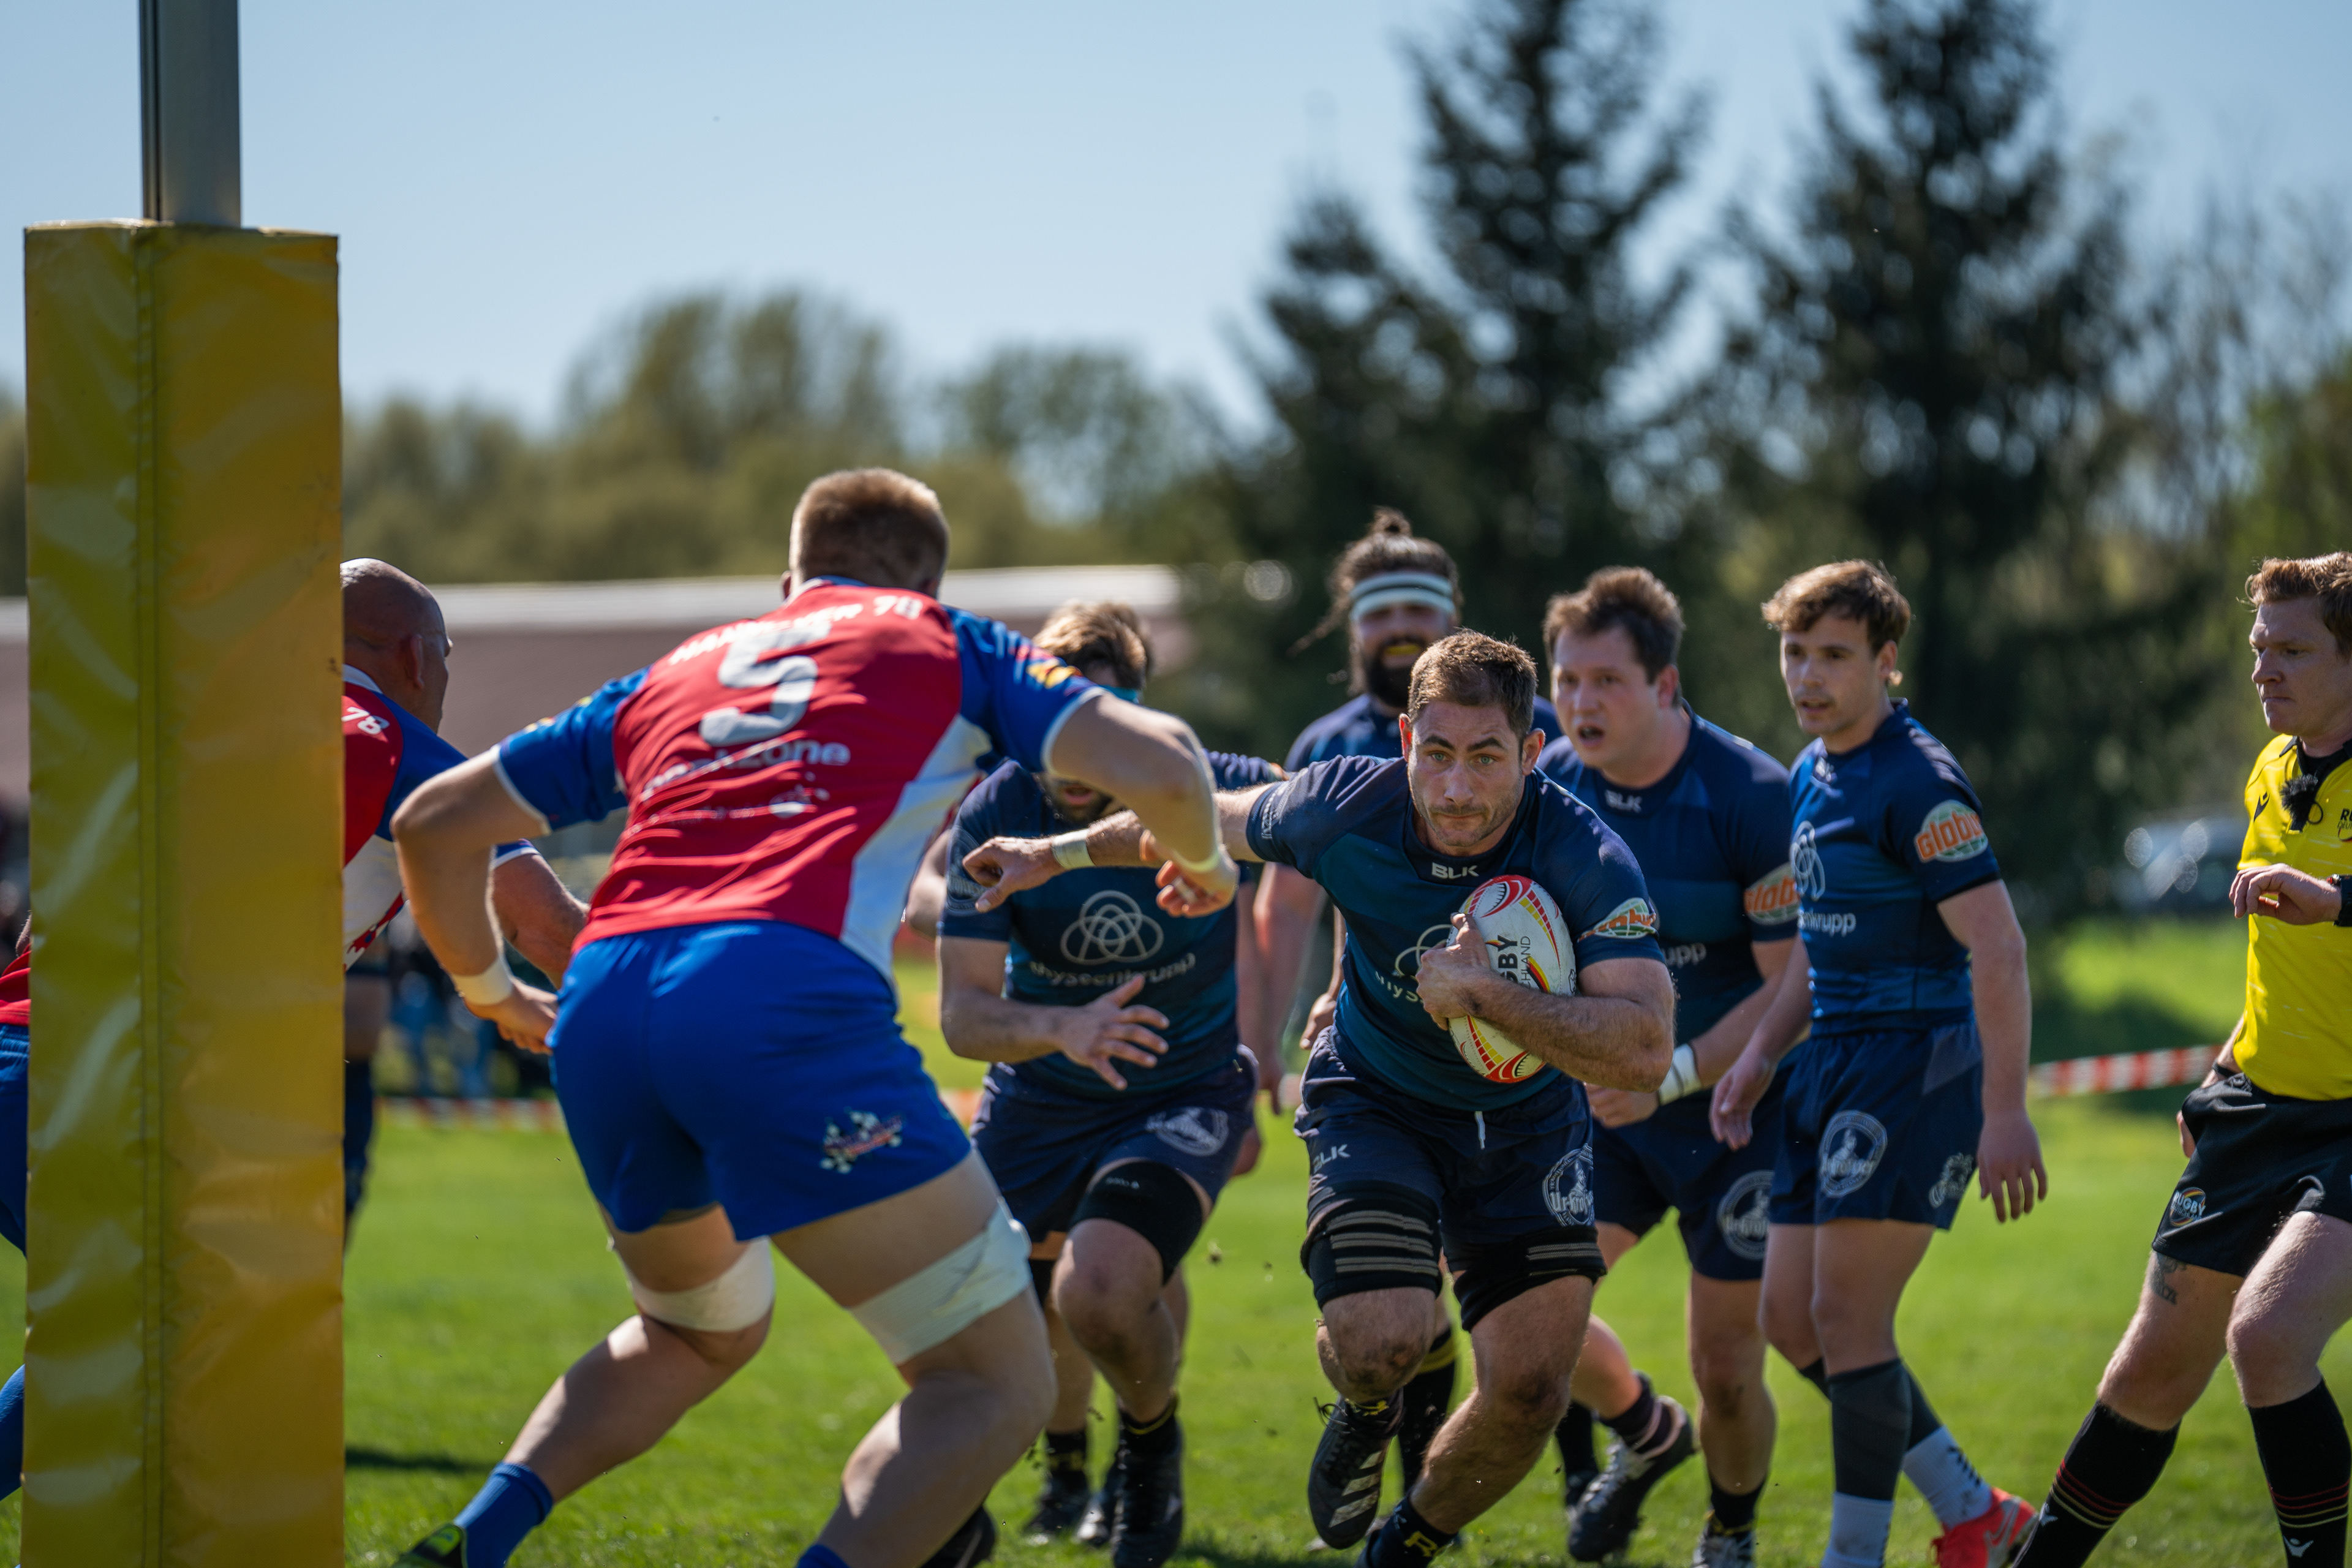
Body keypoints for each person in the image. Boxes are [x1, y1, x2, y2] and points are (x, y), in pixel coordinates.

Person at [388, 469, 1237, 1568]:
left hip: (604, 1004)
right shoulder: (947, 641)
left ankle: (472, 1542)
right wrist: (1207, 866)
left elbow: (432, 822)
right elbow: (1164, 760)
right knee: (992, 1381)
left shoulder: (684, 667)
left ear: (788, 582)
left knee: (693, 1330)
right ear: (928, 584)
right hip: (775, 993)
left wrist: (492, 993)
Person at [962, 631, 1676, 1568]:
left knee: (1531, 1392)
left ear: (1531, 751)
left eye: (1487, 757)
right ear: (1406, 740)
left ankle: (1404, 1545)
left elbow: (1643, 1048)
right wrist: (1050, 856)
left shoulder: (1585, 854)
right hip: (1378, 1100)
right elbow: (1194, 818)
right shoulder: (1345, 804)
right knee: (1378, 1343)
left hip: (1529, 1131)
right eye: (1437, 753)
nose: (1457, 788)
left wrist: (1487, 994)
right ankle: (1368, 1406)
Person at [0, 559, 586, 1504]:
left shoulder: (187, 727)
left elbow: (45, 915)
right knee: (181, 1328)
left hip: (22, 1051)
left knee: (155, 1334)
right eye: (445, 654)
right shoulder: (405, 750)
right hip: (101, 1081)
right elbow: (553, 931)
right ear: (414, 656)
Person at [2015, 552, 2352, 1568]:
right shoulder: (2270, 772)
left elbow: (2324, 917)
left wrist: (2337, 900)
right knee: (2150, 1373)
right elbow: (2283, 968)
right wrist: (2226, 1066)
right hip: (2259, 1106)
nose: (2264, 669)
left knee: (2268, 1336)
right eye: (2259, 647)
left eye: (2293, 650)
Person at [1711, 560, 2047, 1568]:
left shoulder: (1918, 781)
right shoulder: (1811, 772)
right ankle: (1977, 1514)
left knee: (1848, 1320)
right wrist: (1760, 1052)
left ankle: (1854, 1556)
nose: (1808, 676)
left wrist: (2004, 1111)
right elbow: (1816, 945)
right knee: (1791, 1320)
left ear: (1886, 661)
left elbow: (1999, 947)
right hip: (1828, 1069)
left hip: (1916, 1069)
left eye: (1834, 656)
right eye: (1795, 653)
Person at [931, 600, 1281, 1568]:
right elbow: (963, 1016)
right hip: (1040, 1098)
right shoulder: (996, 812)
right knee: (964, 1312)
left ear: (1135, 719)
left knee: (1102, 1288)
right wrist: (1063, 1027)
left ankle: (1148, 1447)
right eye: (1057, 727)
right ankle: (978, 1492)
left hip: (1182, 1091)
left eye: (1102, 725)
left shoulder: (1199, 783)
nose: (1078, 759)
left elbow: (1327, 821)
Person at [1260, 508, 1565, 1491]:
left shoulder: (1526, 739)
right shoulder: (1328, 747)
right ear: (1351, 626)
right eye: (1378, 611)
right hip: (1385, 1056)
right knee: (1398, 1297)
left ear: (1451, 619)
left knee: (1525, 1321)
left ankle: (1548, 1461)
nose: (1397, 628)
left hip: (1513, 1063)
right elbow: (1309, 901)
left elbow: (1558, 899)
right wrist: (1274, 1029)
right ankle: (1387, 1442)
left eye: (1417, 610)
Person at [1534, 568, 1800, 1566]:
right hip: (1608, 1113)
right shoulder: (1550, 787)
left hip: (1737, 1117)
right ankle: (1646, 1430)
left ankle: (1730, 1532)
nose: (1581, 702)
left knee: (1727, 1367)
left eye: (1606, 680)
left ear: (1665, 684)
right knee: (1528, 1314)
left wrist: (1675, 1072)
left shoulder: (1752, 797)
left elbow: (1791, 991)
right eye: (1567, 680)